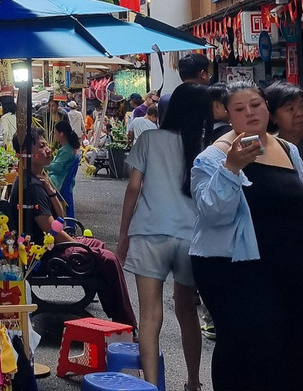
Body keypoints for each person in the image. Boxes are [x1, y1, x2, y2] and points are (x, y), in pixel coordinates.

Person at [190, 79, 303, 391]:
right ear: (227, 114)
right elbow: (213, 213)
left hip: (292, 265)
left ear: (267, 108)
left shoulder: (287, 148)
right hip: (235, 268)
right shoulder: (213, 157)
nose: (250, 113)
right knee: (253, 347)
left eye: (255, 105)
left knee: (302, 343)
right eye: (239, 109)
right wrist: (232, 168)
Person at [117, 83, 208, 391]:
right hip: (190, 236)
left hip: (149, 233)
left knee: (150, 316)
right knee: (187, 311)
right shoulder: (205, 145)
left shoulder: (150, 139)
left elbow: (133, 187)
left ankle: (151, 385)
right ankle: (193, 382)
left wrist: (123, 235)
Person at [7, 129, 136, 329]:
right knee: (108, 259)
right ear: (26, 154)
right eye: (41, 146)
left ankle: (118, 314)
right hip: (45, 254)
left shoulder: (38, 180)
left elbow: (61, 215)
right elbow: (52, 231)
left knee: (99, 246)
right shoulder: (31, 187)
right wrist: (77, 244)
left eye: (46, 144)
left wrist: (50, 191)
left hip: (53, 245)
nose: (48, 150)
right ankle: (124, 322)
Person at [265, 81, 303, 169]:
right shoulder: (268, 148)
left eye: (302, 106)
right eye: (290, 109)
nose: (299, 114)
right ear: (273, 117)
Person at [158, 52, 211, 120]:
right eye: (208, 73)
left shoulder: (165, 101)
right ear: (203, 74)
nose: (209, 77)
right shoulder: (213, 98)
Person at [45, 120, 80, 191]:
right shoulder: (67, 148)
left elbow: (57, 167)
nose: (54, 135)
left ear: (61, 133)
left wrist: (42, 164)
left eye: (55, 133)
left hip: (58, 181)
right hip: (59, 179)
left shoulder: (66, 151)